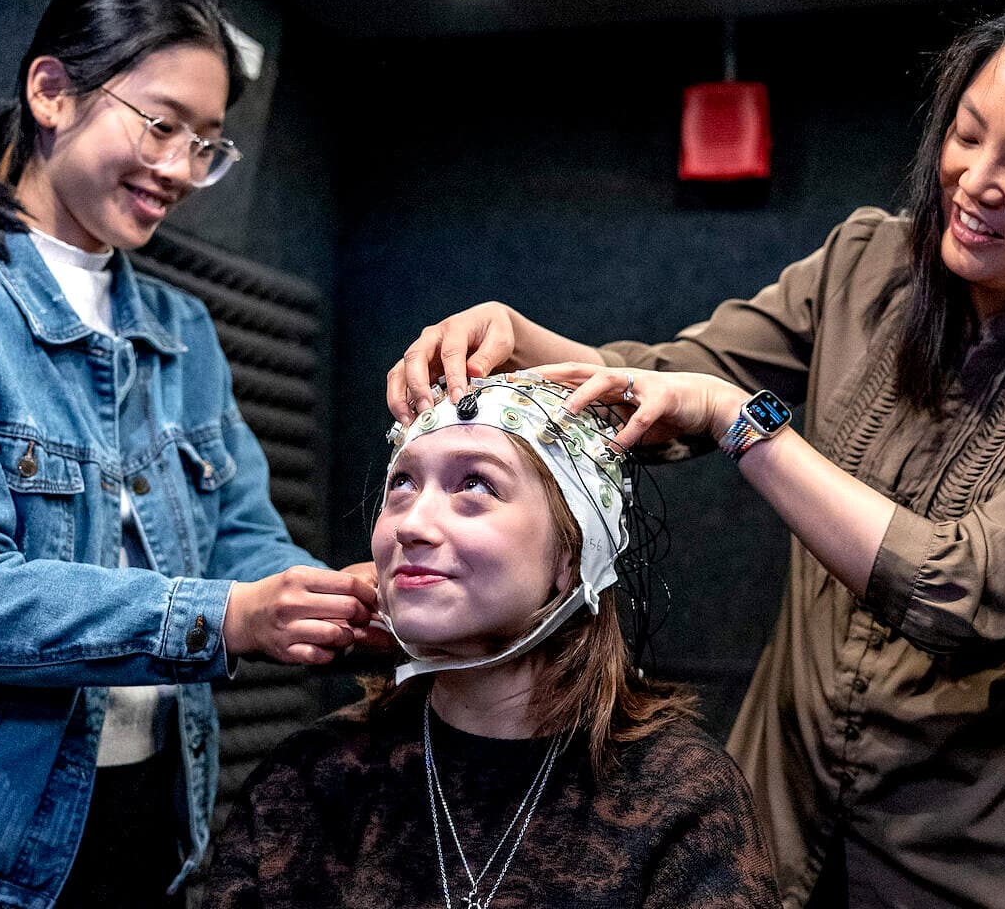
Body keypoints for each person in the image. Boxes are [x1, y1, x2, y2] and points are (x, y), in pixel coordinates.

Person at [385, 0, 1005, 908]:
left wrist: (741, 422)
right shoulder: (867, 265)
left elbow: (960, 592)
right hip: (783, 822)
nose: (975, 183)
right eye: (966, 135)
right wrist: (517, 339)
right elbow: (669, 381)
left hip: (986, 864)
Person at [0, 0, 378, 906]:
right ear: (51, 92)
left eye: (207, 145)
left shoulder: (183, 331)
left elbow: (240, 538)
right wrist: (228, 617)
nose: (183, 170)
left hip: (154, 814)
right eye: (161, 126)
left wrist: (324, 598)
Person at [207, 372, 783, 909]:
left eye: (475, 485)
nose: (411, 525)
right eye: (402, 484)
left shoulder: (678, 797)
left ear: (571, 555)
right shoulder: (308, 781)